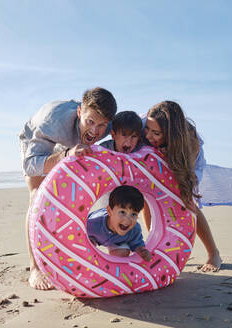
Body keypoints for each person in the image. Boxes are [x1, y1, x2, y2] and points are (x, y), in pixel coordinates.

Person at [18, 87, 117, 289]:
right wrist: (65, 154)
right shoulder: (52, 121)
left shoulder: (107, 125)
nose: (95, 131)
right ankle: (35, 268)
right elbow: (30, 165)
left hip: (72, 143)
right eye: (90, 122)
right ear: (80, 112)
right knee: (36, 195)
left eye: (101, 125)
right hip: (39, 141)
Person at [143, 100, 222, 272]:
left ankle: (213, 252)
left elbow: (186, 175)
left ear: (170, 133)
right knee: (147, 197)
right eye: (147, 129)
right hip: (156, 156)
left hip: (184, 162)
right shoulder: (148, 123)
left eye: (156, 133)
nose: (148, 136)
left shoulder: (189, 140)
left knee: (187, 200)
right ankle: (155, 245)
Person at [87, 185, 152, 262]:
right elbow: (80, 232)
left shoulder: (135, 229)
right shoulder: (93, 223)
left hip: (117, 242)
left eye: (133, 214)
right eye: (122, 212)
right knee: (88, 244)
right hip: (95, 236)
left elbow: (137, 244)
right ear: (109, 211)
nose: (127, 220)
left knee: (122, 253)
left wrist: (142, 251)